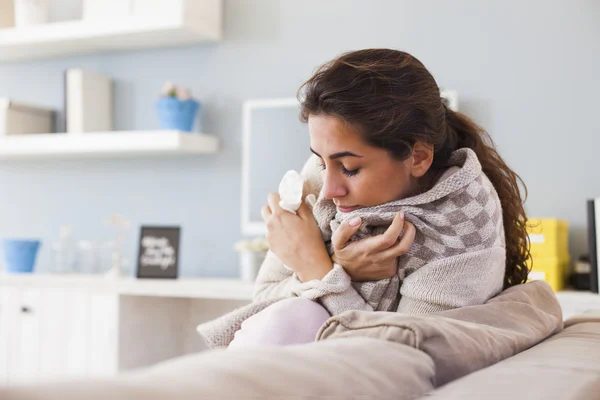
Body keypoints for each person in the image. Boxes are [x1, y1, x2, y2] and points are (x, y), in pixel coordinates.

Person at [198, 48, 530, 349]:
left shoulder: (463, 234)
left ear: (417, 157)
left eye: (350, 168)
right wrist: (340, 269)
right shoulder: (322, 176)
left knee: (293, 320)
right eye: (320, 160)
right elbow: (264, 299)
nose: (328, 188)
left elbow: (397, 358)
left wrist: (319, 269)